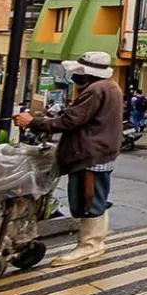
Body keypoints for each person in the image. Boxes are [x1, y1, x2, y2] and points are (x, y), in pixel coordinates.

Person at [14, 51, 122, 266]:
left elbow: (70, 121)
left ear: (87, 74)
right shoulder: (111, 87)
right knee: (95, 196)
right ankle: (95, 240)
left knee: (88, 198)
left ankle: (90, 245)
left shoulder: (95, 90)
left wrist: (34, 122)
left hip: (90, 154)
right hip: (100, 152)